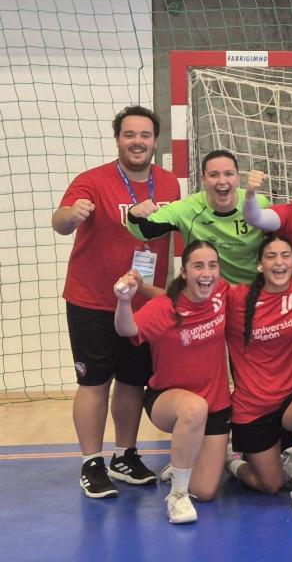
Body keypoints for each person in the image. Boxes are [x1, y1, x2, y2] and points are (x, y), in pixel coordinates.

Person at [51, 105, 179, 498]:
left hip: (143, 303)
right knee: (93, 382)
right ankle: (92, 462)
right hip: (93, 301)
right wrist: (72, 214)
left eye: (144, 135)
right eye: (129, 134)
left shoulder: (170, 184)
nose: (137, 141)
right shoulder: (92, 181)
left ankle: (125, 455)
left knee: (132, 382)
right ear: (118, 139)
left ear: (154, 141)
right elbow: (59, 222)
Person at [112, 240, 231, 523]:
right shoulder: (163, 308)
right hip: (169, 400)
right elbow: (126, 328)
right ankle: (177, 495)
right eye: (198, 266)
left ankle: (179, 465)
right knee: (194, 409)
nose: (207, 272)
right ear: (184, 272)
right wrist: (125, 301)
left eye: (212, 266)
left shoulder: (221, 293)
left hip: (216, 405)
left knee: (205, 490)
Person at [222, 234, 292, 511]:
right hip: (252, 408)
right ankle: (232, 461)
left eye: (285, 255)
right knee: (270, 486)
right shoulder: (237, 298)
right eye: (270, 256)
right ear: (259, 265)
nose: (279, 262)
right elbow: (188, 297)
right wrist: (140, 289)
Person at [126, 149, 271, 284]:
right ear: (203, 180)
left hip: (252, 290)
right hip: (206, 292)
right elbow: (144, 231)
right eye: (214, 175)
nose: (222, 181)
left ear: (238, 177)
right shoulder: (188, 208)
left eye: (229, 174)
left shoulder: (258, 204)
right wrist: (134, 215)